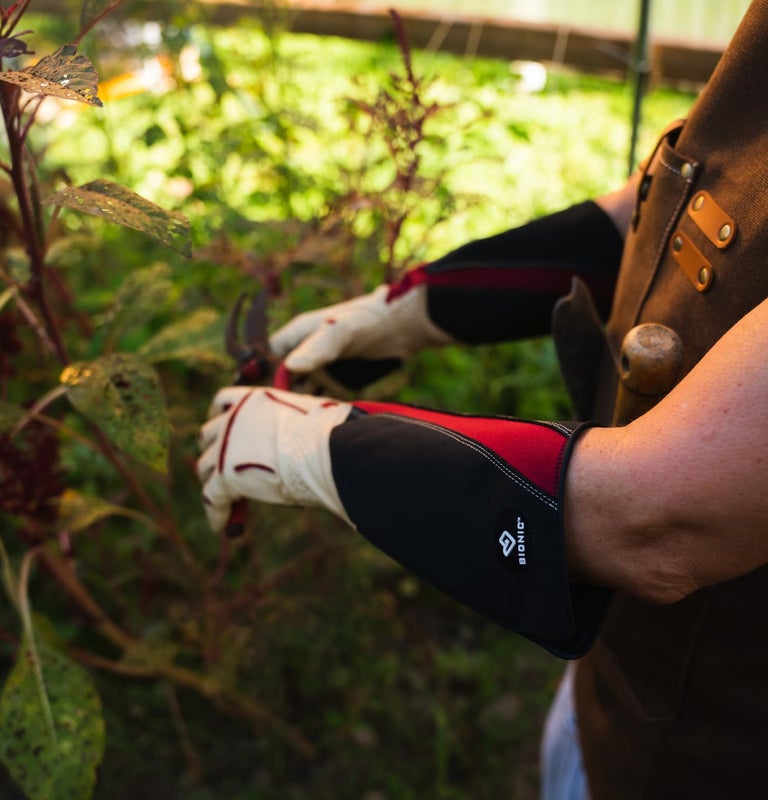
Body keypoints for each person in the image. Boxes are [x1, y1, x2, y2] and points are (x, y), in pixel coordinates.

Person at [198, 1, 768, 796]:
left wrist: (321, 449)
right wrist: (414, 307)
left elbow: (657, 519)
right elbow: (678, 196)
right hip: (620, 691)